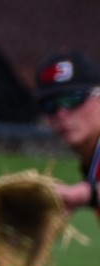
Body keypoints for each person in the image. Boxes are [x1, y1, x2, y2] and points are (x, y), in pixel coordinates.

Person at [34, 51, 100, 217]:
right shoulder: (92, 162)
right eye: (49, 105)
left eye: (73, 98)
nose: (61, 113)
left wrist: (85, 193)